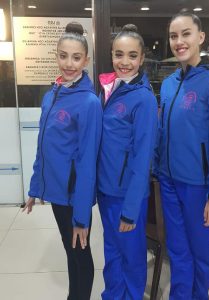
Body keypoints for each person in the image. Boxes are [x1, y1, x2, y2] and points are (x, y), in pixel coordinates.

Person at [154, 12, 209, 300]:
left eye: (185, 34)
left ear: (200, 37)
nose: (179, 41)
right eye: (174, 36)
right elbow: (163, 132)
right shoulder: (169, 83)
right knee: (177, 251)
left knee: (200, 253)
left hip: (199, 187)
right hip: (169, 182)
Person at [22, 22, 102, 300]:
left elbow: (88, 162)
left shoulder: (89, 102)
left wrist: (82, 216)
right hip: (57, 193)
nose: (69, 63)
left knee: (80, 253)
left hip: (73, 195)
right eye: (63, 55)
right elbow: (43, 148)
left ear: (86, 60)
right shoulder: (52, 94)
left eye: (76, 57)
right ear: (55, 55)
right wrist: (35, 187)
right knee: (71, 251)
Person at [97, 24, 158, 299]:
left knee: (132, 256)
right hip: (107, 190)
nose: (124, 61)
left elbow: (143, 156)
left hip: (127, 196)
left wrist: (131, 209)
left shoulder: (143, 99)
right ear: (111, 54)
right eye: (119, 54)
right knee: (112, 250)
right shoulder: (109, 89)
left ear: (142, 58)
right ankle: (112, 294)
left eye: (132, 56)